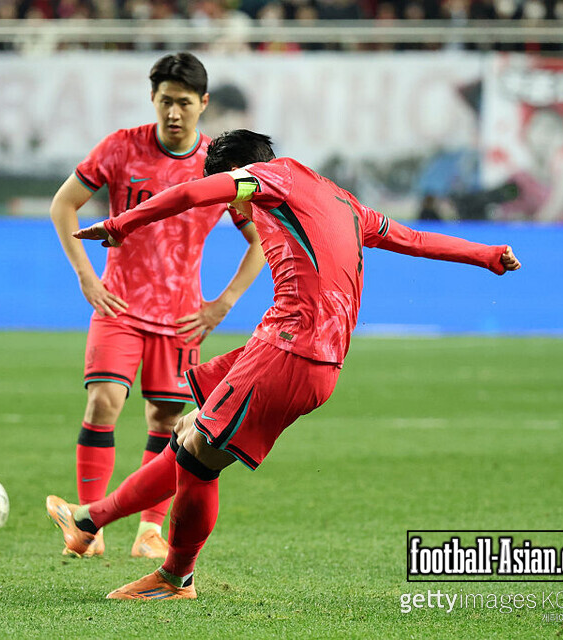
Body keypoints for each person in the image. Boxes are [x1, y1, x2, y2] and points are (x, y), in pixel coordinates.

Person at [48, 129, 521, 599]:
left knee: (197, 458)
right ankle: (88, 520)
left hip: (290, 352)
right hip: (311, 354)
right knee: (190, 431)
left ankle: (174, 579)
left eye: (229, 198)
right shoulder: (339, 198)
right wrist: (489, 255)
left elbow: (192, 192)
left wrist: (118, 225)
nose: (232, 210)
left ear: (233, 174)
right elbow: (411, 238)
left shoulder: (257, 180)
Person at [48, 54, 265, 559]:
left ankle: (148, 531)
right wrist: (86, 274)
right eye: (165, 101)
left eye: (184, 103)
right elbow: (64, 204)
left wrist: (224, 303)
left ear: (203, 104)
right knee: (104, 401)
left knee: (168, 421)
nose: (173, 112)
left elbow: (259, 238)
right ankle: (89, 525)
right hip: (118, 303)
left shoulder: (218, 165)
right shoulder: (121, 148)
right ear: (153, 99)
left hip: (182, 315)